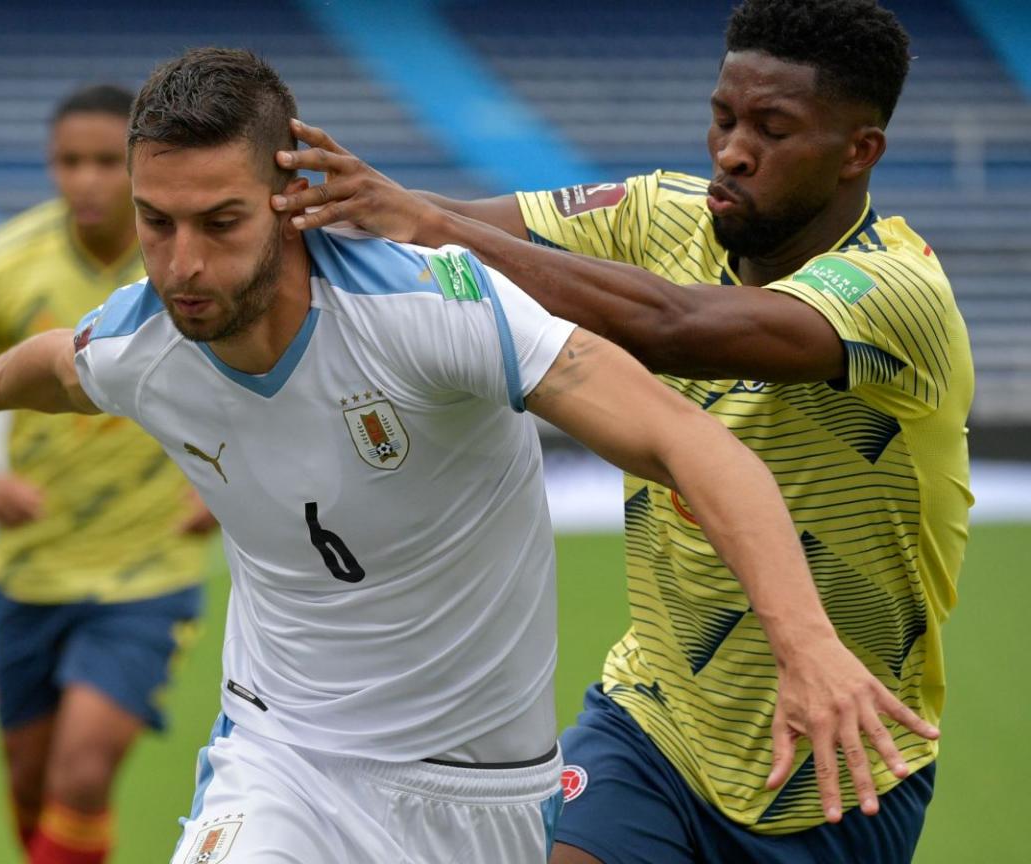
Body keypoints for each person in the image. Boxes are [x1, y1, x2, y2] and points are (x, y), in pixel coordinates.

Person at [0, 47, 936, 863]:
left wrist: (806, 645)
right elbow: (52, 365)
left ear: (292, 200)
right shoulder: (145, 335)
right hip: (281, 763)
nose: (184, 264)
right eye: (155, 224)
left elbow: (689, 440)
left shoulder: (436, 306)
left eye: (221, 221)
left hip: (484, 796)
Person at [269, 1, 971, 861]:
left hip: (834, 755)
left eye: (773, 130)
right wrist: (295, 207)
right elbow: (448, 230)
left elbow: (675, 326)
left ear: (859, 152)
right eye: (723, 118)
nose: (731, 150)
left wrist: (428, 225)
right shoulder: (656, 213)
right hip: (652, 724)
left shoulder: (898, 293)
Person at [0, 84, 214, 864]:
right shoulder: (2, 266)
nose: (86, 180)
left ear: (136, 166)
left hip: (149, 568)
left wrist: (224, 488)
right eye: (67, 162)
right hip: (31, 566)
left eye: (102, 162)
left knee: (83, 771)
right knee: (31, 784)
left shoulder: (192, 267)